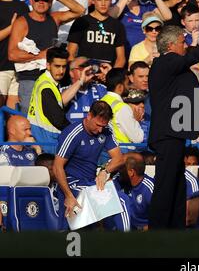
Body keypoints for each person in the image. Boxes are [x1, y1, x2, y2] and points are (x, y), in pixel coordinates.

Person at [147, 22, 199, 229]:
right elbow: (193, 56)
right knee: (166, 186)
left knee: (176, 186)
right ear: (172, 45)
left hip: (175, 135)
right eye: (183, 42)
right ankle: (159, 233)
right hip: (168, 135)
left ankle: (175, 231)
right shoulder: (165, 61)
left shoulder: (173, 65)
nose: (186, 46)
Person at [53, 100, 128, 230]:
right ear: (89, 116)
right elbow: (57, 166)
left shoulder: (106, 130)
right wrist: (68, 195)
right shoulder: (73, 133)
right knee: (115, 199)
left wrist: (105, 171)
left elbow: (119, 159)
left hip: (90, 181)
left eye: (103, 126)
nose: (100, 130)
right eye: (98, 125)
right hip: (72, 182)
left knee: (121, 198)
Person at [8, 0, 85, 112]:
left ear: (50, 2)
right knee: (31, 117)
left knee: (51, 115)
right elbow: (12, 54)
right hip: (30, 79)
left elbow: (80, 10)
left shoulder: (55, 18)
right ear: (31, 1)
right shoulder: (22, 22)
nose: (41, 2)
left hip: (52, 78)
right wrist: (39, 55)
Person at [28, 47, 94, 154]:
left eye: (64, 66)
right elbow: (57, 119)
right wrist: (79, 132)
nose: (61, 71)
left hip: (46, 140)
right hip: (47, 143)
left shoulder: (47, 81)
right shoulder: (46, 86)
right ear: (48, 65)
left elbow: (59, 103)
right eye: (57, 66)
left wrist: (80, 81)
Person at [67, 0, 126, 68]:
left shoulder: (117, 26)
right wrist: (79, 73)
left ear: (111, 1)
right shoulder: (81, 22)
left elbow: (121, 59)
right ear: (93, 0)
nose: (103, 3)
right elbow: (71, 54)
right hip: (84, 74)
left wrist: (111, 76)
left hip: (107, 75)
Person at [0, 0, 29, 109]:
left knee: (13, 112)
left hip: (19, 67)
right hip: (1, 67)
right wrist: (12, 28)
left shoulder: (22, 6)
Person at [61, 56, 109, 123]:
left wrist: (109, 76)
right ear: (71, 73)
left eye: (89, 67)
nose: (86, 70)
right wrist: (80, 81)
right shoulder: (64, 90)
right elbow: (61, 102)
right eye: (82, 67)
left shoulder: (100, 89)